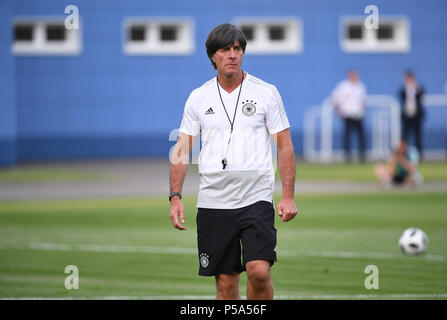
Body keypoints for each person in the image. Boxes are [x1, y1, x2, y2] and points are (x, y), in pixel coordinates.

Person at [169, 23, 298, 300]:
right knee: (226, 286)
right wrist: (175, 197)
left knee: (259, 271)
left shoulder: (266, 92)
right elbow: (182, 149)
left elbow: (285, 146)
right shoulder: (198, 97)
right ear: (212, 56)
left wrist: (288, 196)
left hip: (256, 197)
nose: (232, 55)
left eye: (237, 49)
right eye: (225, 50)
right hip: (214, 202)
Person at [330, 69, 367, 162]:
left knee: (361, 135)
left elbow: (363, 101)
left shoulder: (360, 86)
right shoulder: (343, 86)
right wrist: (339, 111)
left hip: (358, 115)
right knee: (347, 136)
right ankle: (347, 156)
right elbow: (335, 99)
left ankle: (362, 155)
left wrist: (363, 110)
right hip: (348, 115)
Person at [399, 70, 425, 160]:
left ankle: (419, 156)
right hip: (407, 116)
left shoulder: (418, 88)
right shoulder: (404, 89)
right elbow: (401, 95)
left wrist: (415, 88)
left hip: (416, 116)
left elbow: (421, 95)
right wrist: (407, 88)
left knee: (417, 136)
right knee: (405, 137)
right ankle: (403, 156)